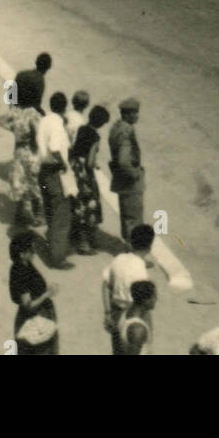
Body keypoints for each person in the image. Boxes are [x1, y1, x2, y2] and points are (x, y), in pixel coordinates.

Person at [101, 223, 155, 354]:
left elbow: (105, 286)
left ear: (131, 242)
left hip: (115, 313)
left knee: (117, 350)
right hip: (132, 316)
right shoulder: (141, 271)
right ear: (150, 247)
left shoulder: (118, 259)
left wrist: (107, 312)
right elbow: (144, 300)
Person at [0, 74, 45, 226]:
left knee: (19, 183)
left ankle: (20, 215)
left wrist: (13, 129)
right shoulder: (34, 114)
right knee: (35, 183)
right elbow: (39, 134)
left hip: (18, 152)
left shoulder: (15, 113)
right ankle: (38, 215)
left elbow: (1, 121)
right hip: (32, 152)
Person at [37, 92, 76, 268]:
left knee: (50, 212)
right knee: (61, 214)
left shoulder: (44, 120)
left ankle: (52, 248)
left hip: (43, 171)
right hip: (55, 173)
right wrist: (64, 165)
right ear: (64, 107)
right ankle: (58, 257)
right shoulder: (58, 125)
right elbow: (54, 149)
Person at [70, 103, 109, 255]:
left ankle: (76, 236)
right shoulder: (95, 137)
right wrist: (94, 166)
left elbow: (77, 150)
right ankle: (85, 243)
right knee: (90, 206)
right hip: (85, 174)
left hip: (75, 169)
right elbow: (90, 162)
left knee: (78, 204)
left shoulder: (82, 129)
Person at [9, 230, 58, 350]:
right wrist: (46, 295)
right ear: (21, 254)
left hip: (40, 315)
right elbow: (28, 305)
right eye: (30, 250)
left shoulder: (25, 264)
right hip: (34, 319)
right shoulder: (20, 272)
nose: (34, 252)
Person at [108, 96, 145, 242]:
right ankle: (135, 252)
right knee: (133, 219)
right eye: (135, 112)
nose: (137, 116)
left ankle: (128, 247)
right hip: (129, 181)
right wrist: (135, 174)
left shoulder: (116, 127)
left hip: (120, 178)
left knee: (126, 217)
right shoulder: (126, 131)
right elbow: (124, 161)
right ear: (127, 114)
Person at [117, 280, 156, 355]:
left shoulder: (125, 314)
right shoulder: (138, 329)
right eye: (154, 297)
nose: (156, 300)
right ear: (146, 300)